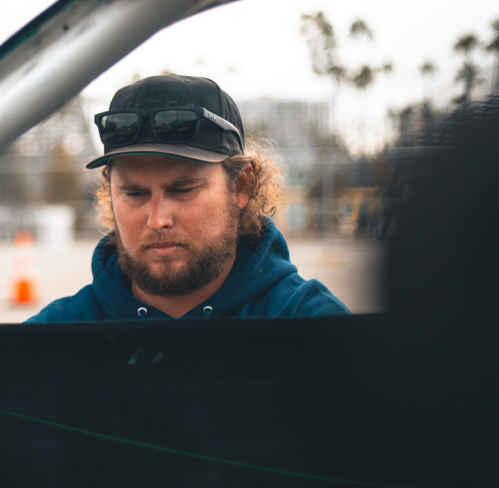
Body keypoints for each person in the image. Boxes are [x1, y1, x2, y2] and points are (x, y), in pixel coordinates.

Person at [27, 74, 348, 321]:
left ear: (241, 187)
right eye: (134, 193)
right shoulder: (55, 339)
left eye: (182, 190)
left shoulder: (311, 327)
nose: (157, 219)